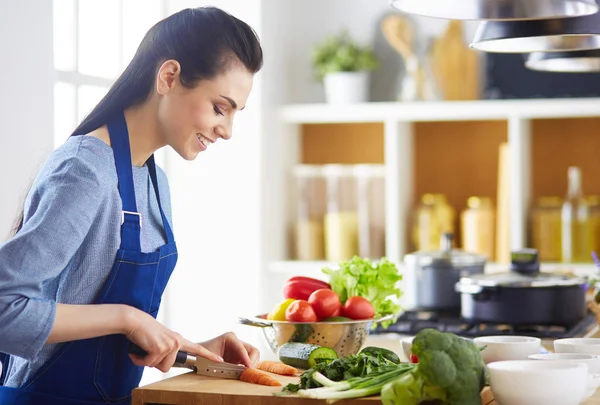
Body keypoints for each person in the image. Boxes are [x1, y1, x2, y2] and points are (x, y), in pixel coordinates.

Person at [0, 6, 263, 404]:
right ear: (169, 77)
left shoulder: (154, 181)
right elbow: (5, 309)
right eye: (220, 108)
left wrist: (192, 352)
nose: (226, 131)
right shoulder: (85, 169)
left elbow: (102, 332)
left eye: (234, 114)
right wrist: (127, 318)